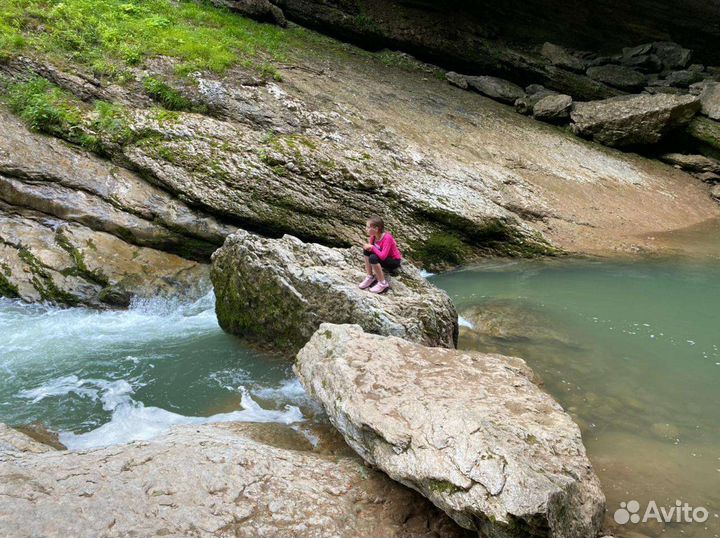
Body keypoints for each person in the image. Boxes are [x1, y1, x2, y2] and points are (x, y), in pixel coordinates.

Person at [358, 216, 402, 294]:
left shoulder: (387, 238)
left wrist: (372, 247)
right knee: (366, 251)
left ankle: (383, 284)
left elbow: (383, 256)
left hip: (393, 261)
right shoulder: (373, 237)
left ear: (376, 229)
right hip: (383, 258)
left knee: (373, 257)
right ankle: (370, 277)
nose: (366, 229)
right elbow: (371, 250)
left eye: (368, 227)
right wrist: (369, 247)